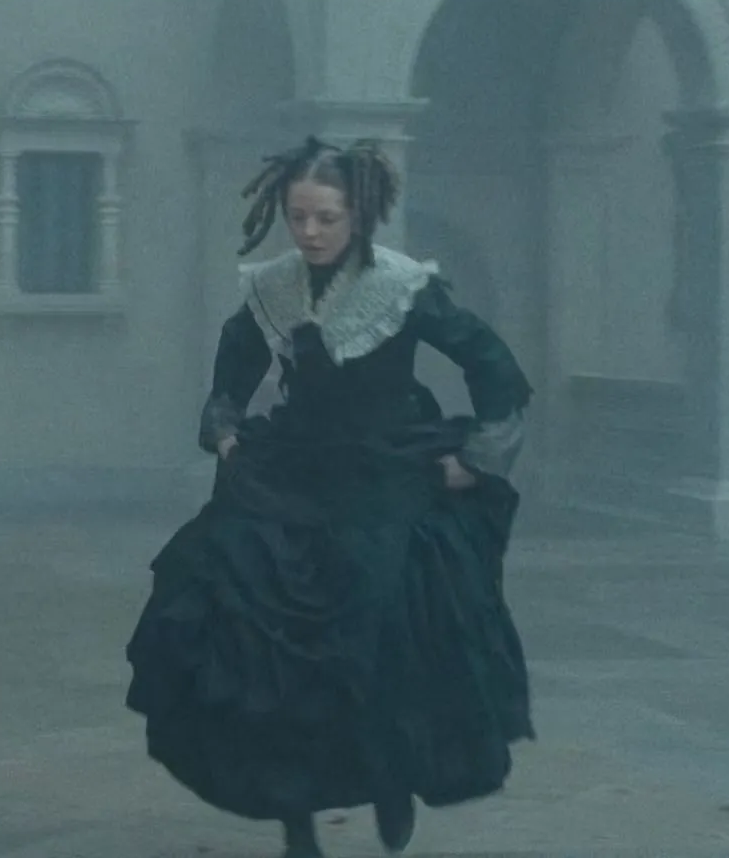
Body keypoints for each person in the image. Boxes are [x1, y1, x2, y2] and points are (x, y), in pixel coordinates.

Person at [125, 136, 536, 857]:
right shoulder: (275, 286)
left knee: (374, 631)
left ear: (359, 215)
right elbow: (233, 369)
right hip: (296, 468)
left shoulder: (401, 285)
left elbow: (491, 362)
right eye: (298, 217)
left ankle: (391, 780)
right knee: (253, 619)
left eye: (326, 218)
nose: (310, 232)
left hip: (385, 474)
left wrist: (478, 459)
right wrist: (226, 431)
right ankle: (296, 817)